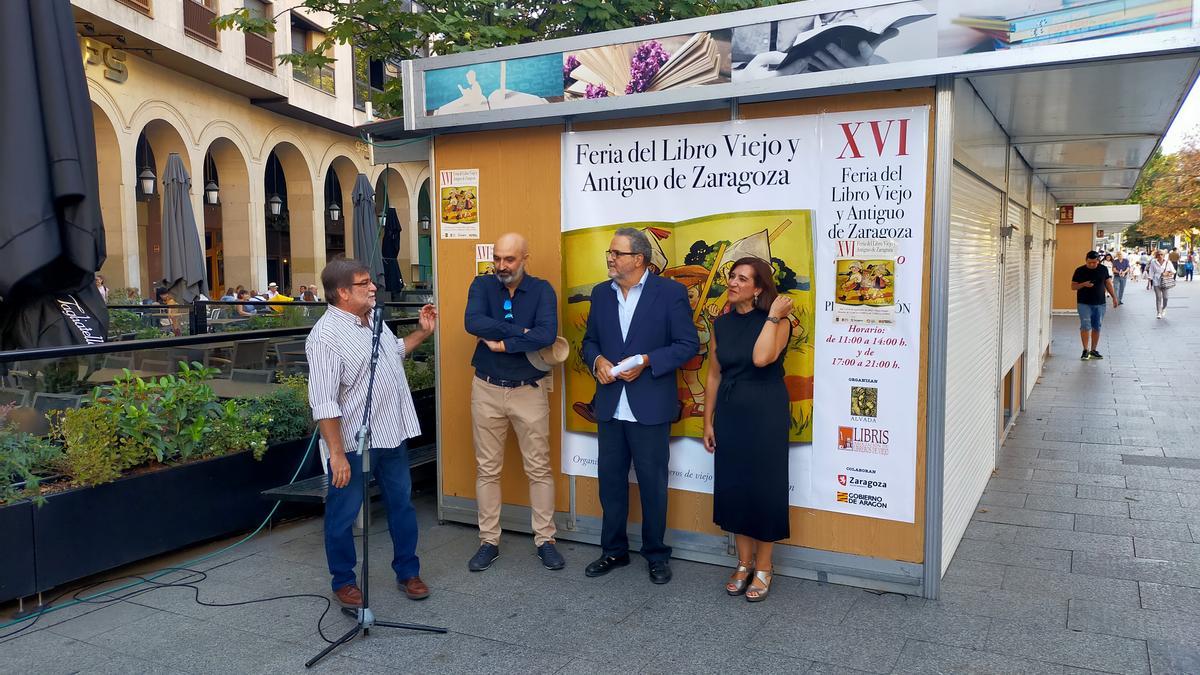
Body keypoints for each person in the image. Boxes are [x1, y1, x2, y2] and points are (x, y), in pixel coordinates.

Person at [306, 258, 438, 608]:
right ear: (343, 293)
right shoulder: (325, 338)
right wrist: (336, 454)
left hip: (392, 434)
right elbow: (324, 403)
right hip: (352, 444)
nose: (373, 287)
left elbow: (394, 354)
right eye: (364, 283)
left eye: (371, 282)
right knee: (343, 515)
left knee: (402, 506)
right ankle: (344, 581)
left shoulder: (374, 320)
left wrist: (422, 332)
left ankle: (408, 572)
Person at [581, 228, 700, 585]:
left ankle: (656, 553)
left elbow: (687, 345)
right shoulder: (601, 294)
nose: (610, 258)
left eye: (617, 253)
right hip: (610, 405)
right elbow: (589, 342)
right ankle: (613, 550)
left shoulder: (671, 293)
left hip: (649, 404)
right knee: (611, 483)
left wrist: (647, 360)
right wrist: (598, 360)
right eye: (610, 252)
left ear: (639, 259)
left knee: (652, 484)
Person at [462, 233, 564, 572]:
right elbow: (472, 322)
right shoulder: (481, 285)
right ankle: (488, 541)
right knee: (487, 469)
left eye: (510, 259)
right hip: (486, 389)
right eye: (498, 258)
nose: (502, 266)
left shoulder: (542, 290)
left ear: (525, 258)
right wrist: (521, 333)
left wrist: (505, 342)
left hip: (528, 390)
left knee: (539, 468)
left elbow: (547, 334)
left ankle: (545, 539)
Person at [702, 257, 793, 602]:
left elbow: (760, 358)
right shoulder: (720, 325)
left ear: (758, 288)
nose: (733, 282)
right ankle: (743, 563)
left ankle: (765, 567)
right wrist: (708, 420)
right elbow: (714, 374)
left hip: (766, 413)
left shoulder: (779, 322)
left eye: (742, 279)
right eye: (731, 276)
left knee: (764, 489)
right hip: (730, 413)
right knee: (736, 486)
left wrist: (771, 317)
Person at [1071, 251, 1118, 360]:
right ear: (1086, 260)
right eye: (1089, 262)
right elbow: (1073, 287)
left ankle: (1093, 350)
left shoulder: (1103, 269)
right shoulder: (1080, 270)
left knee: (1097, 326)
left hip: (1100, 303)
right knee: (1085, 326)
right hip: (1084, 303)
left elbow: (1108, 283)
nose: (1092, 264)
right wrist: (1084, 284)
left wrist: (1114, 297)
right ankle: (1085, 350)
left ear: (1098, 261)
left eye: (1094, 262)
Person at [1148, 248, 1176, 319]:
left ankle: (1164, 308)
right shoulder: (1153, 262)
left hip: (1165, 281)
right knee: (1158, 297)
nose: (1160, 255)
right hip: (1156, 281)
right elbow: (1151, 272)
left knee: (1165, 297)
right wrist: (1149, 282)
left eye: (1161, 254)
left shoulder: (1168, 262)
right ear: (1156, 255)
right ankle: (1159, 312)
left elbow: (1173, 271)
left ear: (1164, 255)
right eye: (1159, 254)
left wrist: (1167, 273)